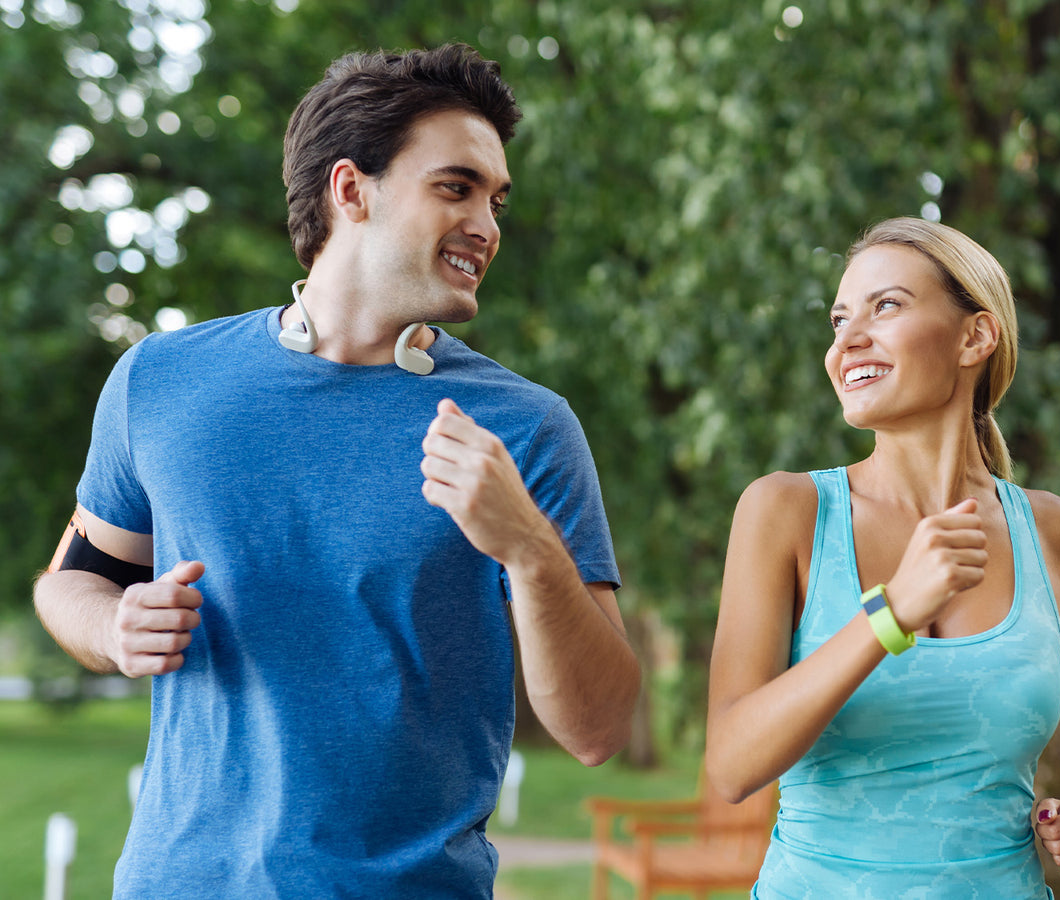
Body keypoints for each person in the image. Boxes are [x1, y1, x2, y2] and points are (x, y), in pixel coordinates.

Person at [34, 44, 639, 899]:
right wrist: (115, 629)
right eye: (455, 187)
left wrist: (532, 551)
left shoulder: (526, 428)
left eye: (496, 200)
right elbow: (71, 583)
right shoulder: (160, 379)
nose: (489, 225)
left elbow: (600, 728)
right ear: (351, 190)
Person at [706, 217, 1060, 898]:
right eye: (840, 318)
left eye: (887, 306)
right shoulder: (785, 512)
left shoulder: (1054, 531)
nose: (847, 340)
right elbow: (730, 767)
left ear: (976, 336)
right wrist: (890, 614)